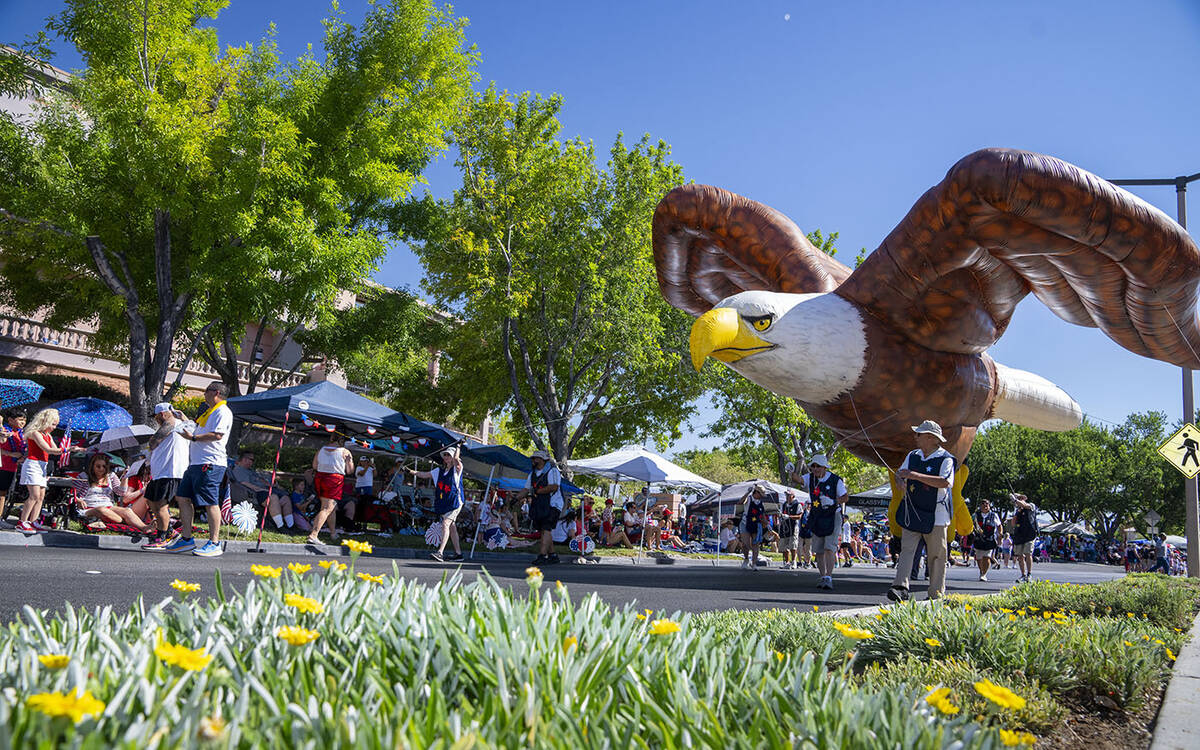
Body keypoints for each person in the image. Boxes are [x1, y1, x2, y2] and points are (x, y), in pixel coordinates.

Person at [886, 420, 956, 602]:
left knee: (936, 555)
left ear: (931, 438)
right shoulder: (913, 455)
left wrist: (913, 475)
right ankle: (900, 587)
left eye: (919, 434)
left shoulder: (946, 458)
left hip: (937, 515)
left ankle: (936, 594)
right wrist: (899, 481)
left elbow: (945, 482)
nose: (915, 437)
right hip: (912, 510)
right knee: (907, 550)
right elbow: (899, 473)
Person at [164, 382, 233, 557]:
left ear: (216, 392)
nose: (204, 394)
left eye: (206, 391)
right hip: (196, 463)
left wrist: (193, 438)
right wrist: (185, 419)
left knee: (210, 502)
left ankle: (214, 543)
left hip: (210, 463)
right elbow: (200, 428)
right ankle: (187, 539)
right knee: (182, 497)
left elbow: (217, 435)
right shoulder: (209, 412)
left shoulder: (222, 412)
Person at [16, 408, 83, 534]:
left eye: (55, 425)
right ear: (45, 421)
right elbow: (47, 449)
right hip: (33, 464)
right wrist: (68, 449)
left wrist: (69, 449)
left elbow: (55, 449)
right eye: (52, 424)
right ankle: (22, 521)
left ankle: (33, 521)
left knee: (41, 497)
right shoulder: (35, 433)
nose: (54, 427)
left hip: (42, 466)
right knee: (34, 495)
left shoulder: (48, 435)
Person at [142, 401, 193, 549]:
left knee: (161, 505)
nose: (155, 420)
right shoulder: (178, 424)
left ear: (163, 414)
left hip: (170, 472)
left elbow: (152, 443)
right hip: (159, 473)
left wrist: (176, 416)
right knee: (151, 501)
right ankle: (170, 531)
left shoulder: (172, 423)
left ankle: (162, 538)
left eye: (157, 416)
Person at [72, 453, 153, 533]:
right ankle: (125, 522)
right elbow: (71, 492)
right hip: (89, 508)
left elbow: (121, 492)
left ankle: (144, 527)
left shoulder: (111, 476)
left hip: (109, 506)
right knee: (102, 510)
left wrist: (125, 478)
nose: (101, 469)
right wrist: (79, 500)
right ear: (92, 466)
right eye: (98, 466)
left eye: (104, 466)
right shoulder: (83, 476)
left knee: (127, 511)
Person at [410, 445, 465, 561]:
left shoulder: (457, 468)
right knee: (452, 527)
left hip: (455, 502)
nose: (446, 456)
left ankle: (440, 552)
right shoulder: (438, 470)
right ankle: (458, 554)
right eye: (445, 454)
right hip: (445, 502)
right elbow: (424, 475)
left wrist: (458, 447)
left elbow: (456, 460)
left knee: (446, 523)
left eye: (448, 454)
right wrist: (411, 471)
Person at [804, 455, 849, 590]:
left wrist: (833, 501)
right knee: (818, 550)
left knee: (829, 547)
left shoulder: (835, 480)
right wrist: (791, 471)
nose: (815, 469)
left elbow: (845, 497)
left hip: (832, 516)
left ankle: (829, 576)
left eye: (818, 466)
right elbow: (798, 479)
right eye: (813, 466)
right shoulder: (810, 478)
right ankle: (823, 576)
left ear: (824, 467)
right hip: (817, 516)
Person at [518, 450, 565, 565]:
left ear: (543, 460)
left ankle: (542, 555)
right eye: (533, 458)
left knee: (546, 528)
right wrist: (516, 498)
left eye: (535, 458)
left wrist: (538, 491)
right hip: (540, 504)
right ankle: (553, 555)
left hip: (553, 504)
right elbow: (526, 489)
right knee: (544, 529)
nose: (533, 460)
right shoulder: (532, 474)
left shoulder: (552, 471)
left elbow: (554, 487)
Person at [229, 450, 295, 531]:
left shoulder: (250, 471)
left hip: (265, 490)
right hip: (254, 493)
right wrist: (261, 489)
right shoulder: (239, 470)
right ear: (245, 459)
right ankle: (280, 527)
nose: (252, 462)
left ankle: (290, 526)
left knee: (285, 499)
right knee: (273, 497)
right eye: (251, 460)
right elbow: (245, 483)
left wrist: (271, 485)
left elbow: (260, 480)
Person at [307, 430, 353, 544]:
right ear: (342, 439)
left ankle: (333, 533)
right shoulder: (345, 451)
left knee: (330, 507)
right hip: (334, 479)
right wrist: (348, 461)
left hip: (320, 478)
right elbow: (350, 471)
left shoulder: (321, 449)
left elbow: (315, 466)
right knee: (327, 508)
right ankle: (313, 534)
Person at [0, 407, 28, 529]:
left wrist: (22, 456)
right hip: (2, 466)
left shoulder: (20, 434)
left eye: (24, 420)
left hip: (12, 467)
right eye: (20, 420)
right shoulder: (4, 430)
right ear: (10, 420)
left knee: (4, 494)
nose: (23, 422)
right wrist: (10, 454)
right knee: (1, 494)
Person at [738, 483, 771, 570]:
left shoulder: (760, 502)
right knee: (745, 544)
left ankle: (754, 563)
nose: (762, 496)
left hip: (756, 524)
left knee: (756, 544)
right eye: (760, 494)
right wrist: (747, 492)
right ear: (756, 492)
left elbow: (762, 514)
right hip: (745, 523)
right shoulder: (748, 499)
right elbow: (740, 502)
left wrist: (767, 524)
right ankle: (746, 559)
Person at [1010, 492, 1039, 582]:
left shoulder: (1031, 505)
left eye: (1021, 498)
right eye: (1018, 498)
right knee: (1019, 555)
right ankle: (1023, 575)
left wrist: (1015, 500)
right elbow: (1013, 523)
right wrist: (1017, 512)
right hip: (1019, 535)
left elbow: (1025, 505)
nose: (1019, 500)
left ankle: (1029, 574)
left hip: (1030, 534)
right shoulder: (1018, 511)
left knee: (1028, 553)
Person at [971, 498, 1001, 581]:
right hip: (978, 539)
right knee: (979, 557)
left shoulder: (994, 515)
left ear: (989, 506)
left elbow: (999, 525)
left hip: (989, 540)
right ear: (980, 506)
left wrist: (1000, 535)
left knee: (987, 557)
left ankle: (984, 574)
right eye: (983, 505)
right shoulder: (976, 515)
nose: (985, 506)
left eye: (987, 505)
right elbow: (971, 524)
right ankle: (981, 570)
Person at [777, 489, 802, 569]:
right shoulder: (784, 505)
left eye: (789, 495)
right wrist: (781, 516)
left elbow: (799, 516)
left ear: (793, 496)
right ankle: (787, 562)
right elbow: (780, 514)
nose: (787, 497)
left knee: (793, 545)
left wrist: (789, 516)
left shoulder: (797, 504)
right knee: (784, 545)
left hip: (793, 527)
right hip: (784, 528)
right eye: (786, 495)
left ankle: (794, 561)